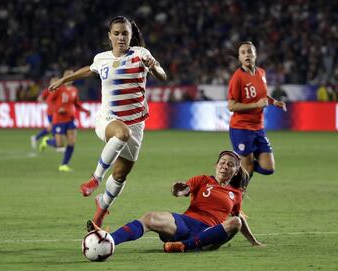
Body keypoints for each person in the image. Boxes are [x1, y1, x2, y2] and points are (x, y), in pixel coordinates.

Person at [49, 16, 167, 226]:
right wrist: (65, 79)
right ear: (109, 36)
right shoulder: (101, 58)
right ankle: (95, 178)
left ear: (131, 35)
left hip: (137, 124)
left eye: (125, 33)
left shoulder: (141, 54)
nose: (121, 37)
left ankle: (101, 209)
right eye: (117, 33)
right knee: (122, 133)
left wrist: (155, 67)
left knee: (121, 175)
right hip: (108, 119)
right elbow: (89, 69)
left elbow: (162, 75)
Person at [87, 150, 263, 253]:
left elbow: (239, 216)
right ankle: (109, 240)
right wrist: (177, 191)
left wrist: (253, 241)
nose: (225, 166)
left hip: (209, 231)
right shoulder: (202, 180)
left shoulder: (235, 194)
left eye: (230, 164)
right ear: (216, 165)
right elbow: (184, 190)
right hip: (185, 223)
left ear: (236, 170)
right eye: (222, 162)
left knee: (235, 222)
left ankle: (183, 246)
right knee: (150, 217)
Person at [227, 41, 286, 182]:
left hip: (258, 128)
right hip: (241, 128)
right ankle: (235, 193)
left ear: (255, 55)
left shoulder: (261, 73)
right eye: (243, 53)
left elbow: (262, 95)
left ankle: (238, 166)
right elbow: (231, 106)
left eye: (249, 51)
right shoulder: (237, 77)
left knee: (268, 168)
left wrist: (274, 102)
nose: (246, 54)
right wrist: (256, 104)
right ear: (239, 58)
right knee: (247, 168)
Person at [40, 70, 91, 172]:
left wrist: (85, 111)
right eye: (67, 76)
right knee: (60, 144)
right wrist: (57, 109)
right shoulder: (59, 89)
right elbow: (49, 101)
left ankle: (64, 165)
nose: (69, 78)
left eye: (71, 76)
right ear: (64, 77)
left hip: (70, 119)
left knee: (71, 142)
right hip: (59, 119)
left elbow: (76, 103)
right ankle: (46, 141)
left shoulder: (74, 90)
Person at [30, 76, 58, 150]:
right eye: (54, 82)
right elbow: (39, 98)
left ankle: (36, 138)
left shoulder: (59, 90)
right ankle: (56, 144)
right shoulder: (48, 90)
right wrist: (47, 103)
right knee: (53, 127)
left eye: (56, 81)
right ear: (51, 83)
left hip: (57, 113)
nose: (55, 83)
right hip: (51, 113)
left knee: (51, 128)